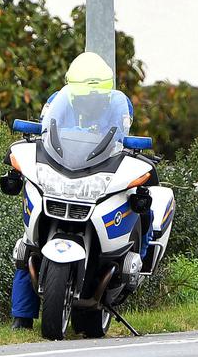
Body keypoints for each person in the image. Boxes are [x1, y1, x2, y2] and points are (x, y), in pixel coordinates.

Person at [11, 52, 143, 330]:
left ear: (106, 90)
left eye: (95, 95)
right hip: (60, 171)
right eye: (84, 94)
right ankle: (21, 318)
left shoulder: (120, 105)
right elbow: (45, 131)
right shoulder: (56, 103)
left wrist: (133, 150)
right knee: (29, 244)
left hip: (98, 170)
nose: (89, 100)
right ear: (73, 89)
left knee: (144, 200)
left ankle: (139, 256)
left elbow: (123, 137)